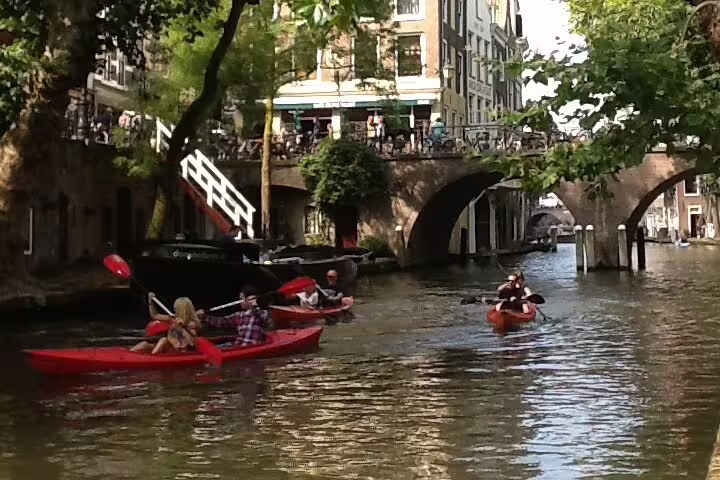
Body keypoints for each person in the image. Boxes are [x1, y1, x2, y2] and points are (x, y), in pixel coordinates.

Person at [198, 287, 270, 347]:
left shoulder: (262, 312)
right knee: (217, 347)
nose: (239, 301)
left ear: (251, 299)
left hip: (251, 346)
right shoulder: (238, 315)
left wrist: (255, 305)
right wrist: (204, 317)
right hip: (238, 345)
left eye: (241, 298)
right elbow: (221, 321)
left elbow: (264, 319)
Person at [131, 294, 201, 354]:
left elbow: (191, 343)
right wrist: (150, 301)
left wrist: (183, 327)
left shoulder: (192, 324)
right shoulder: (172, 318)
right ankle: (131, 353)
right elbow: (154, 315)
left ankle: (153, 357)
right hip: (169, 348)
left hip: (180, 350)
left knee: (164, 340)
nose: (174, 309)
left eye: (177, 308)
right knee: (145, 344)